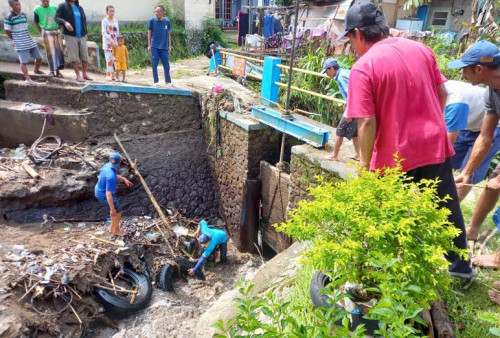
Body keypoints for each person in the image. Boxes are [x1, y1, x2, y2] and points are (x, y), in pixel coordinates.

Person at [341, 2, 474, 279]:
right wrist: (431, 124)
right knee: (446, 205)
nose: (352, 46)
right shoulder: (420, 49)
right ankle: (461, 268)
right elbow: (442, 94)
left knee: (385, 214)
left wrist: (365, 166)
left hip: (394, 155)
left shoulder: (363, 67)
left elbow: (365, 121)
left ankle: (387, 273)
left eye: (350, 39)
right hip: (434, 144)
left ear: (358, 33)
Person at [446, 81, 500, 202]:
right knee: (447, 163)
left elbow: (448, 144)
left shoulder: (456, 102)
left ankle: (449, 208)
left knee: (469, 173)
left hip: (494, 128)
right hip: (469, 124)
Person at [321, 58, 360, 162]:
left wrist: (350, 111)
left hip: (354, 107)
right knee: (354, 132)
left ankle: (334, 155)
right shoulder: (344, 73)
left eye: (327, 71)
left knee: (340, 131)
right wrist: (347, 103)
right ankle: (357, 155)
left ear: (332, 68)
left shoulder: (342, 76)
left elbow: (352, 93)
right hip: (357, 105)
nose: (326, 74)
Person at [4, 0, 43, 85]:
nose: (18, 6)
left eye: (19, 4)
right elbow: (7, 30)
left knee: (39, 57)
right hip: (20, 43)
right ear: (12, 6)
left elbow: (25, 28)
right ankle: (27, 79)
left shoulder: (23, 15)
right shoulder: (9, 17)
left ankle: (36, 70)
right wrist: (14, 39)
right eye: (16, 4)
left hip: (29, 39)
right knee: (23, 61)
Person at [94, 152, 133, 236]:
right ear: (118, 162)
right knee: (117, 211)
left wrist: (123, 178)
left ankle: (112, 228)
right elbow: (108, 194)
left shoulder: (107, 166)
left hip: (99, 189)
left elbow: (113, 174)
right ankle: (116, 230)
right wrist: (112, 209)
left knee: (116, 210)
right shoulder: (111, 177)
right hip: (103, 194)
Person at [55, 0, 92, 82]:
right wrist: (65, 22)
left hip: (82, 36)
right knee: (74, 57)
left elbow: (84, 21)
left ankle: (85, 74)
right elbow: (57, 18)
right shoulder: (63, 6)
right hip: (70, 36)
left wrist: (86, 32)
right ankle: (78, 76)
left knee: (85, 56)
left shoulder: (79, 8)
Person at [34, 0, 65, 78]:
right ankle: (52, 71)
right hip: (46, 31)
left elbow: (60, 18)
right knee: (50, 52)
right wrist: (42, 32)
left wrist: (59, 27)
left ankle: (58, 72)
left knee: (58, 51)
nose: (45, 1)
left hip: (56, 31)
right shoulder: (37, 9)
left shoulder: (54, 7)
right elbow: (36, 22)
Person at [147, 5, 172, 87]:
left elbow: (169, 34)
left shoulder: (167, 21)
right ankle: (156, 81)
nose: (156, 13)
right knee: (154, 64)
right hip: (154, 46)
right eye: (155, 12)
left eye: (158, 12)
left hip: (164, 47)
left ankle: (168, 81)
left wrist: (169, 45)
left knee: (166, 65)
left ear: (162, 12)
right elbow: (149, 33)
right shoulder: (152, 20)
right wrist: (149, 45)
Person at [102, 5, 119, 82]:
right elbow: (104, 32)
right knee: (108, 59)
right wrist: (110, 40)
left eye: (113, 11)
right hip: (108, 43)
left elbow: (117, 32)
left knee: (114, 59)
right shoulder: (105, 21)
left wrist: (117, 42)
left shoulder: (115, 21)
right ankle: (109, 74)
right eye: (110, 11)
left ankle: (113, 74)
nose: (112, 12)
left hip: (115, 43)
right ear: (107, 12)